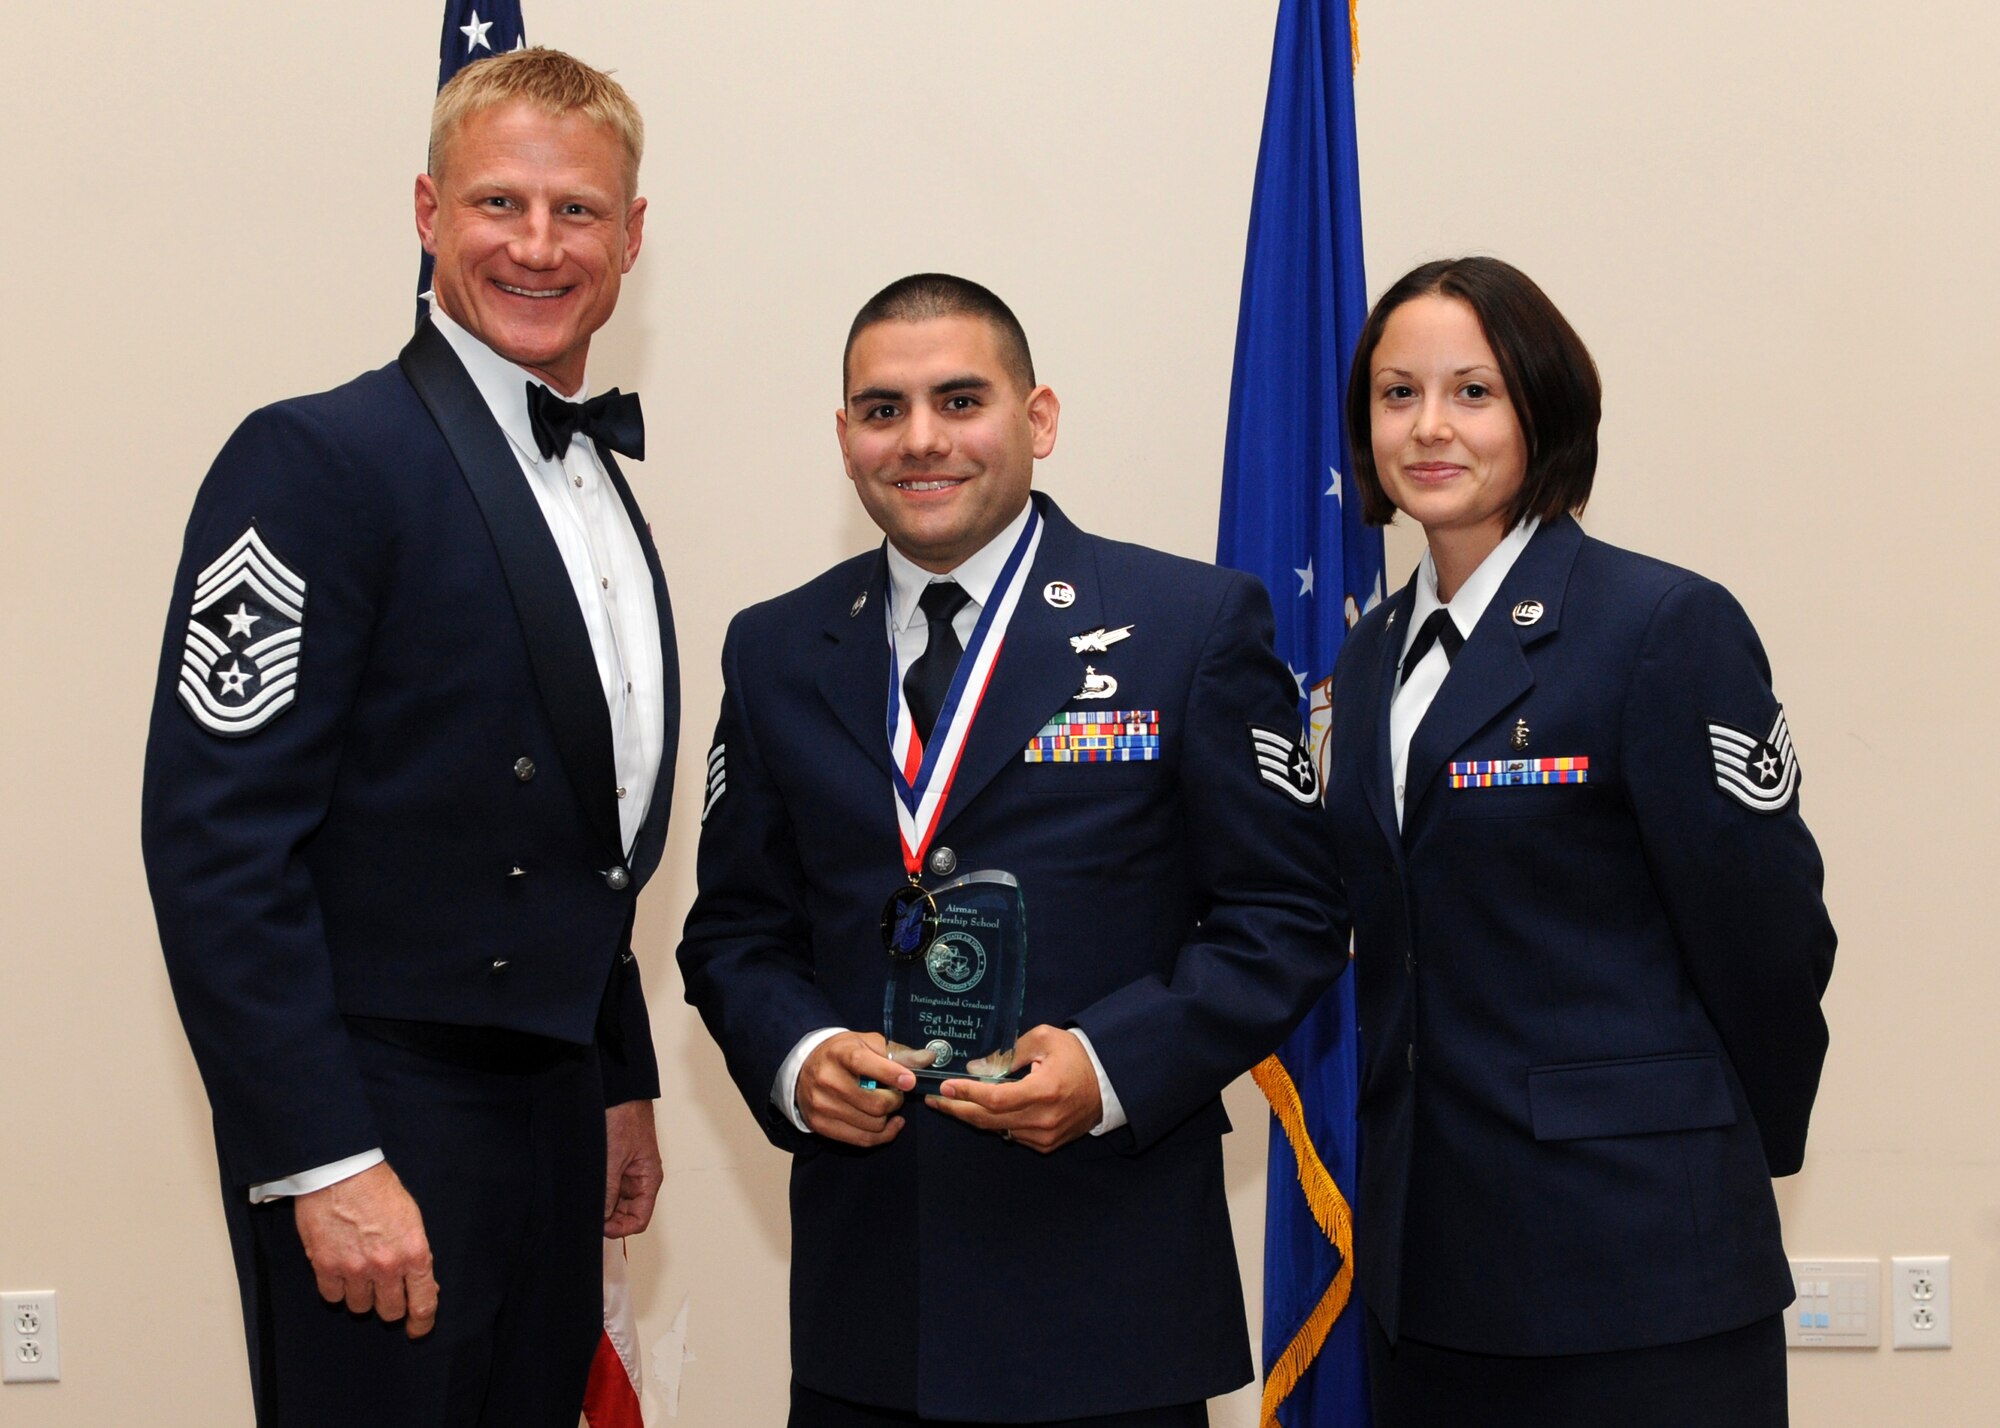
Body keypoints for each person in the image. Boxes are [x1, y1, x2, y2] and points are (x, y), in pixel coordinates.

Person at [677, 273, 1342, 1427]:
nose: (920, 439)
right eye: (882, 410)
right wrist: (799, 1057)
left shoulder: (1187, 625)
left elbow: (1284, 917)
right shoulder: (777, 647)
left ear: (1036, 419)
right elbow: (734, 929)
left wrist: (1111, 1068)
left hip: (1104, 1294)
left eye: (959, 400)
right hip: (869, 1306)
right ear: (843, 439)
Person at [140, 48, 676, 1426]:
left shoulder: (598, 482)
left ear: (631, 235)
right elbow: (216, 844)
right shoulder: (313, 461)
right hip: (384, 1108)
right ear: (428, 212)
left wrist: (617, 1079)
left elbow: (585, 832)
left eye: (578, 213)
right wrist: (322, 1158)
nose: (539, 246)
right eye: (502, 203)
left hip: (551, 1102)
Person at [1321, 255, 1836, 1425]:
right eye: (1396, 394)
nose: (1428, 427)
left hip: (1637, 1263)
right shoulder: (1366, 659)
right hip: (1426, 1273)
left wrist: (1695, 1152)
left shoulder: (1656, 624)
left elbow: (1765, 935)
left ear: (1542, 406)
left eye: (1472, 391)